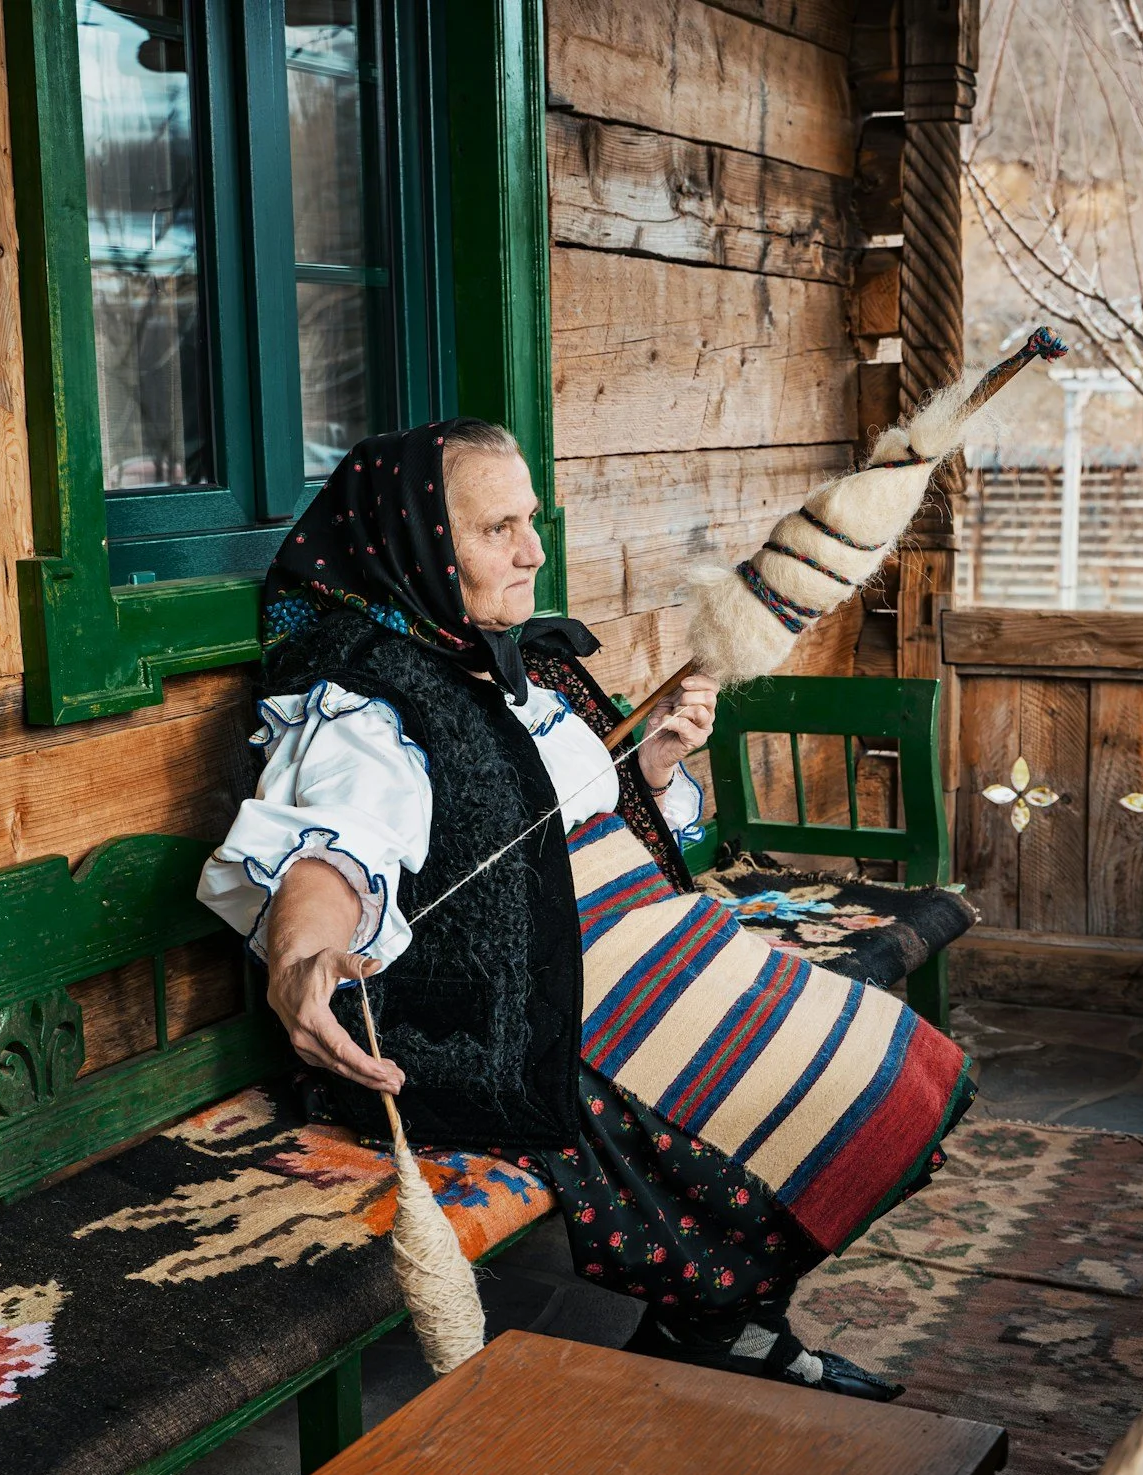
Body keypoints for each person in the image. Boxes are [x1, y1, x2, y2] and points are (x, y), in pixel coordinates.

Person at [198, 420, 974, 1400]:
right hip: (514, 1008)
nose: (532, 551)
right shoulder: (360, 696)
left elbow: (582, 803)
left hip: (635, 941)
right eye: (496, 529)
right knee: (828, 1090)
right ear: (415, 546)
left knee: (901, 1070)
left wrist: (655, 761)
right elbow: (337, 840)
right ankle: (715, 1321)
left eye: (532, 520)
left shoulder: (515, 658)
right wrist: (303, 955)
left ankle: (724, 1315)